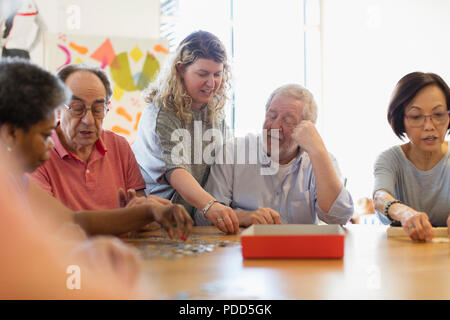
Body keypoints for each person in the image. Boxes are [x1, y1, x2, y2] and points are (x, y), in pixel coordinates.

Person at [0, 57, 193, 239]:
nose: (50, 143)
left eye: (98, 109)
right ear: (10, 134)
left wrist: (143, 212)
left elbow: (71, 221)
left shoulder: (19, 180)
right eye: (44, 135)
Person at [194, 84, 354, 227]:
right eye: (271, 116)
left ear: (307, 128)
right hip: (243, 253)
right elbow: (203, 217)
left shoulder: (320, 159)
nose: (275, 126)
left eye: (288, 120)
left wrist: (318, 153)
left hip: (301, 255)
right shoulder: (233, 152)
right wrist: (244, 217)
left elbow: (339, 217)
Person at [132, 30, 240, 234]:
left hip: (196, 221)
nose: (212, 83)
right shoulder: (161, 111)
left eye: (218, 74)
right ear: (180, 70)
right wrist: (211, 206)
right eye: (203, 74)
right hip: (159, 222)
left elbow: (224, 163)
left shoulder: (215, 111)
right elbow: (176, 170)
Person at [30, 63, 148, 213]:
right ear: (57, 109)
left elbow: (139, 207)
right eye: (78, 109)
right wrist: (121, 219)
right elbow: (50, 222)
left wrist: (147, 210)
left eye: (98, 110)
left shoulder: (119, 146)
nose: (89, 120)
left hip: (121, 237)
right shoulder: (36, 151)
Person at [373, 72, 450, 240]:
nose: (429, 126)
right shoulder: (389, 159)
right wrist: (404, 213)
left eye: (438, 115)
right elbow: (379, 197)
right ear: (401, 120)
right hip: (402, 256)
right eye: (416, 117)